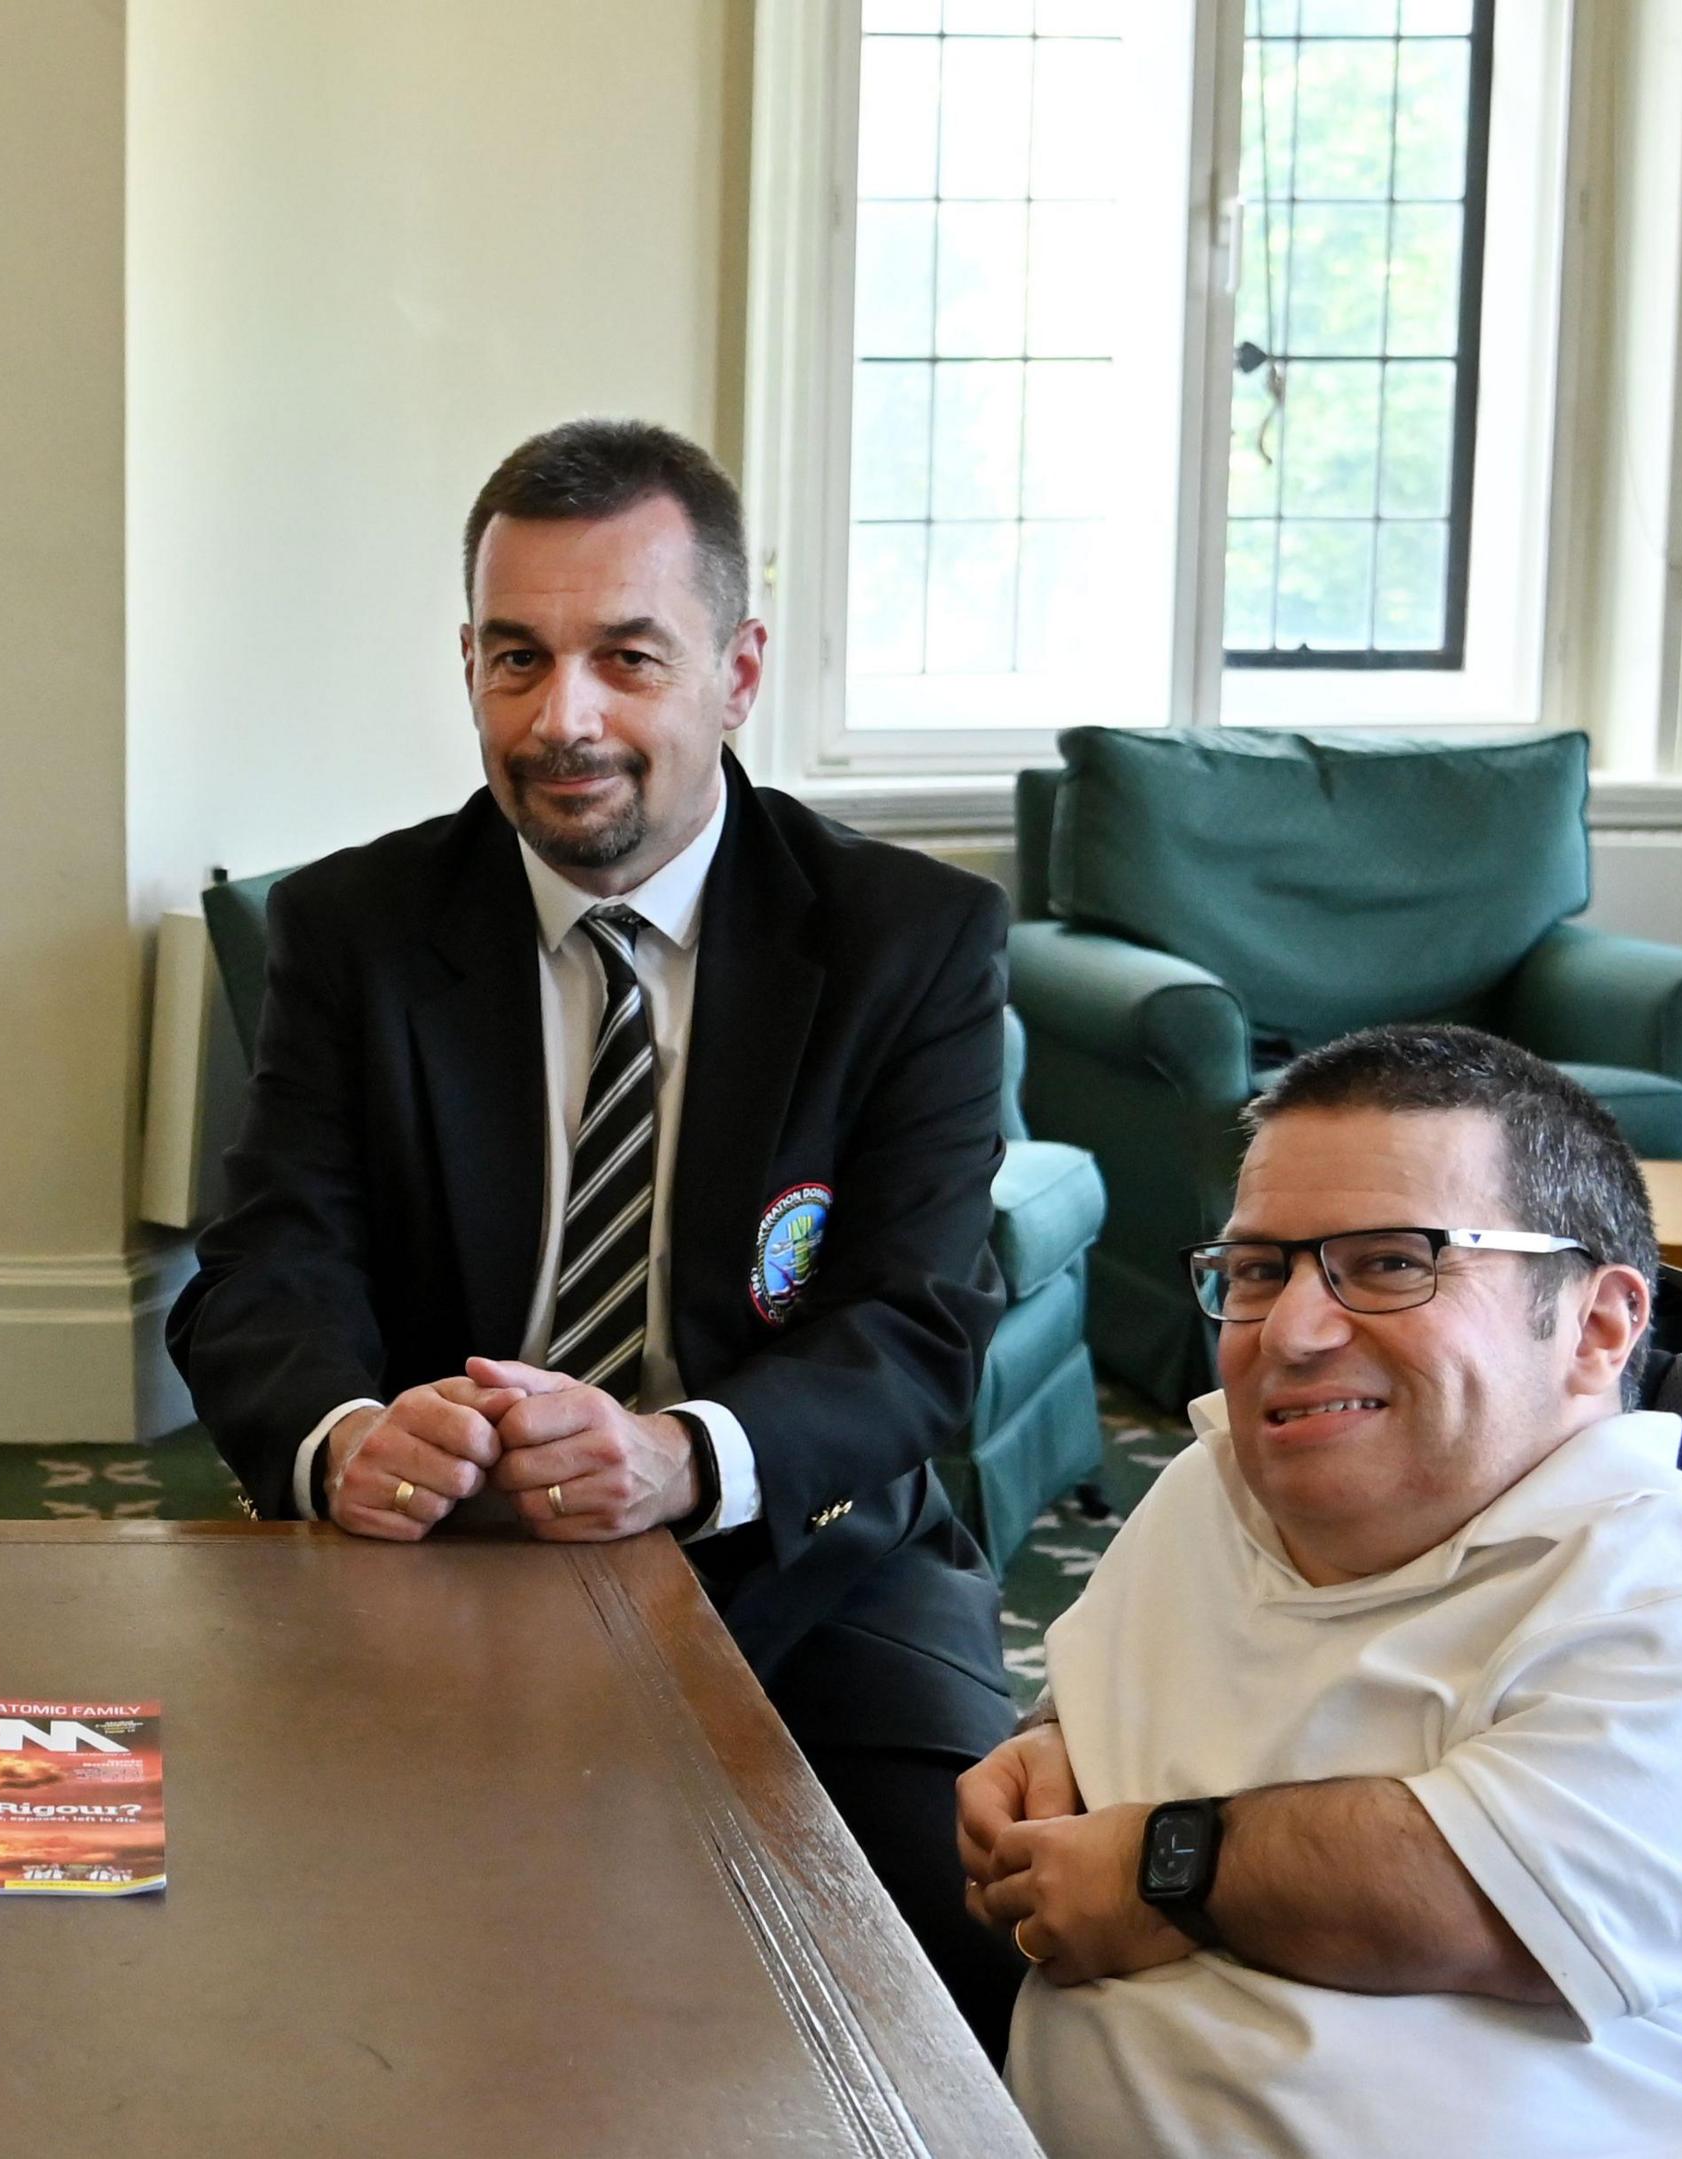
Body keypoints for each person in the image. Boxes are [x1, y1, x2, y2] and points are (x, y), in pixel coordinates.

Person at [165, 418, 1025, 2046]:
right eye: (516, 656)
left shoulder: (909, 938)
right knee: (281, 1971)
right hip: (436, 1559)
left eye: (629, 656)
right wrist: (347, 1435)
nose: (565, 718)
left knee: (959, 1952)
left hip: (814, 1551)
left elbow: (917, 1326)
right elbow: (265, 1273)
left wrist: (682, 1452)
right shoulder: (351, 929)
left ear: (738, 668)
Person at [967, 1024, 1682, 2155]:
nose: (1293, 1332)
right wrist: (1060, 1734)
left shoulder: (1665, 1606)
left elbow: (1460, 1893)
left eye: (1395, 1260)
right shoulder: (1216, 1484)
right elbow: (1140, 1663)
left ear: (1599, 1325)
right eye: (1259, 1270)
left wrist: (1159, 1866)